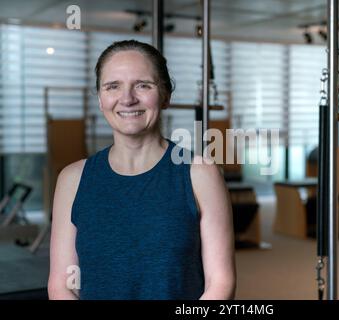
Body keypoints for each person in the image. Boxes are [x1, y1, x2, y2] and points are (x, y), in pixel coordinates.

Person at [47, 40, 236, 300]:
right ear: (101, 99)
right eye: (113, 86)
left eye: (143, 85)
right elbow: (62, 285)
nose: (127, 99)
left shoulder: (200, 173)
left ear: (166, 95)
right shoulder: (72, 179)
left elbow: (220, 283)